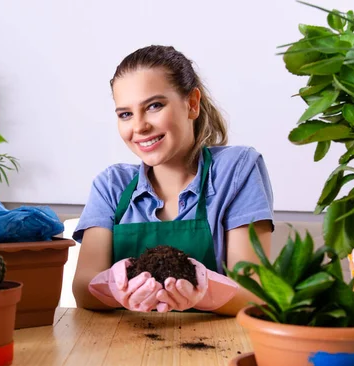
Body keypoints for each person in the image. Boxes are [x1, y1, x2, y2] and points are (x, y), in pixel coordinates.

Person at [71, 45, 273, 316]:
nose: (139, 126)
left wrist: (205, 291)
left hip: (217, 348)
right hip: (124, 347)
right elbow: (84, 290)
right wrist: (112, 286)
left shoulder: (236, 171)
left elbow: (255, 295)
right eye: (125, 114)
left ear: (192, 104)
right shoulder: (111, 186)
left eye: (154, 106)